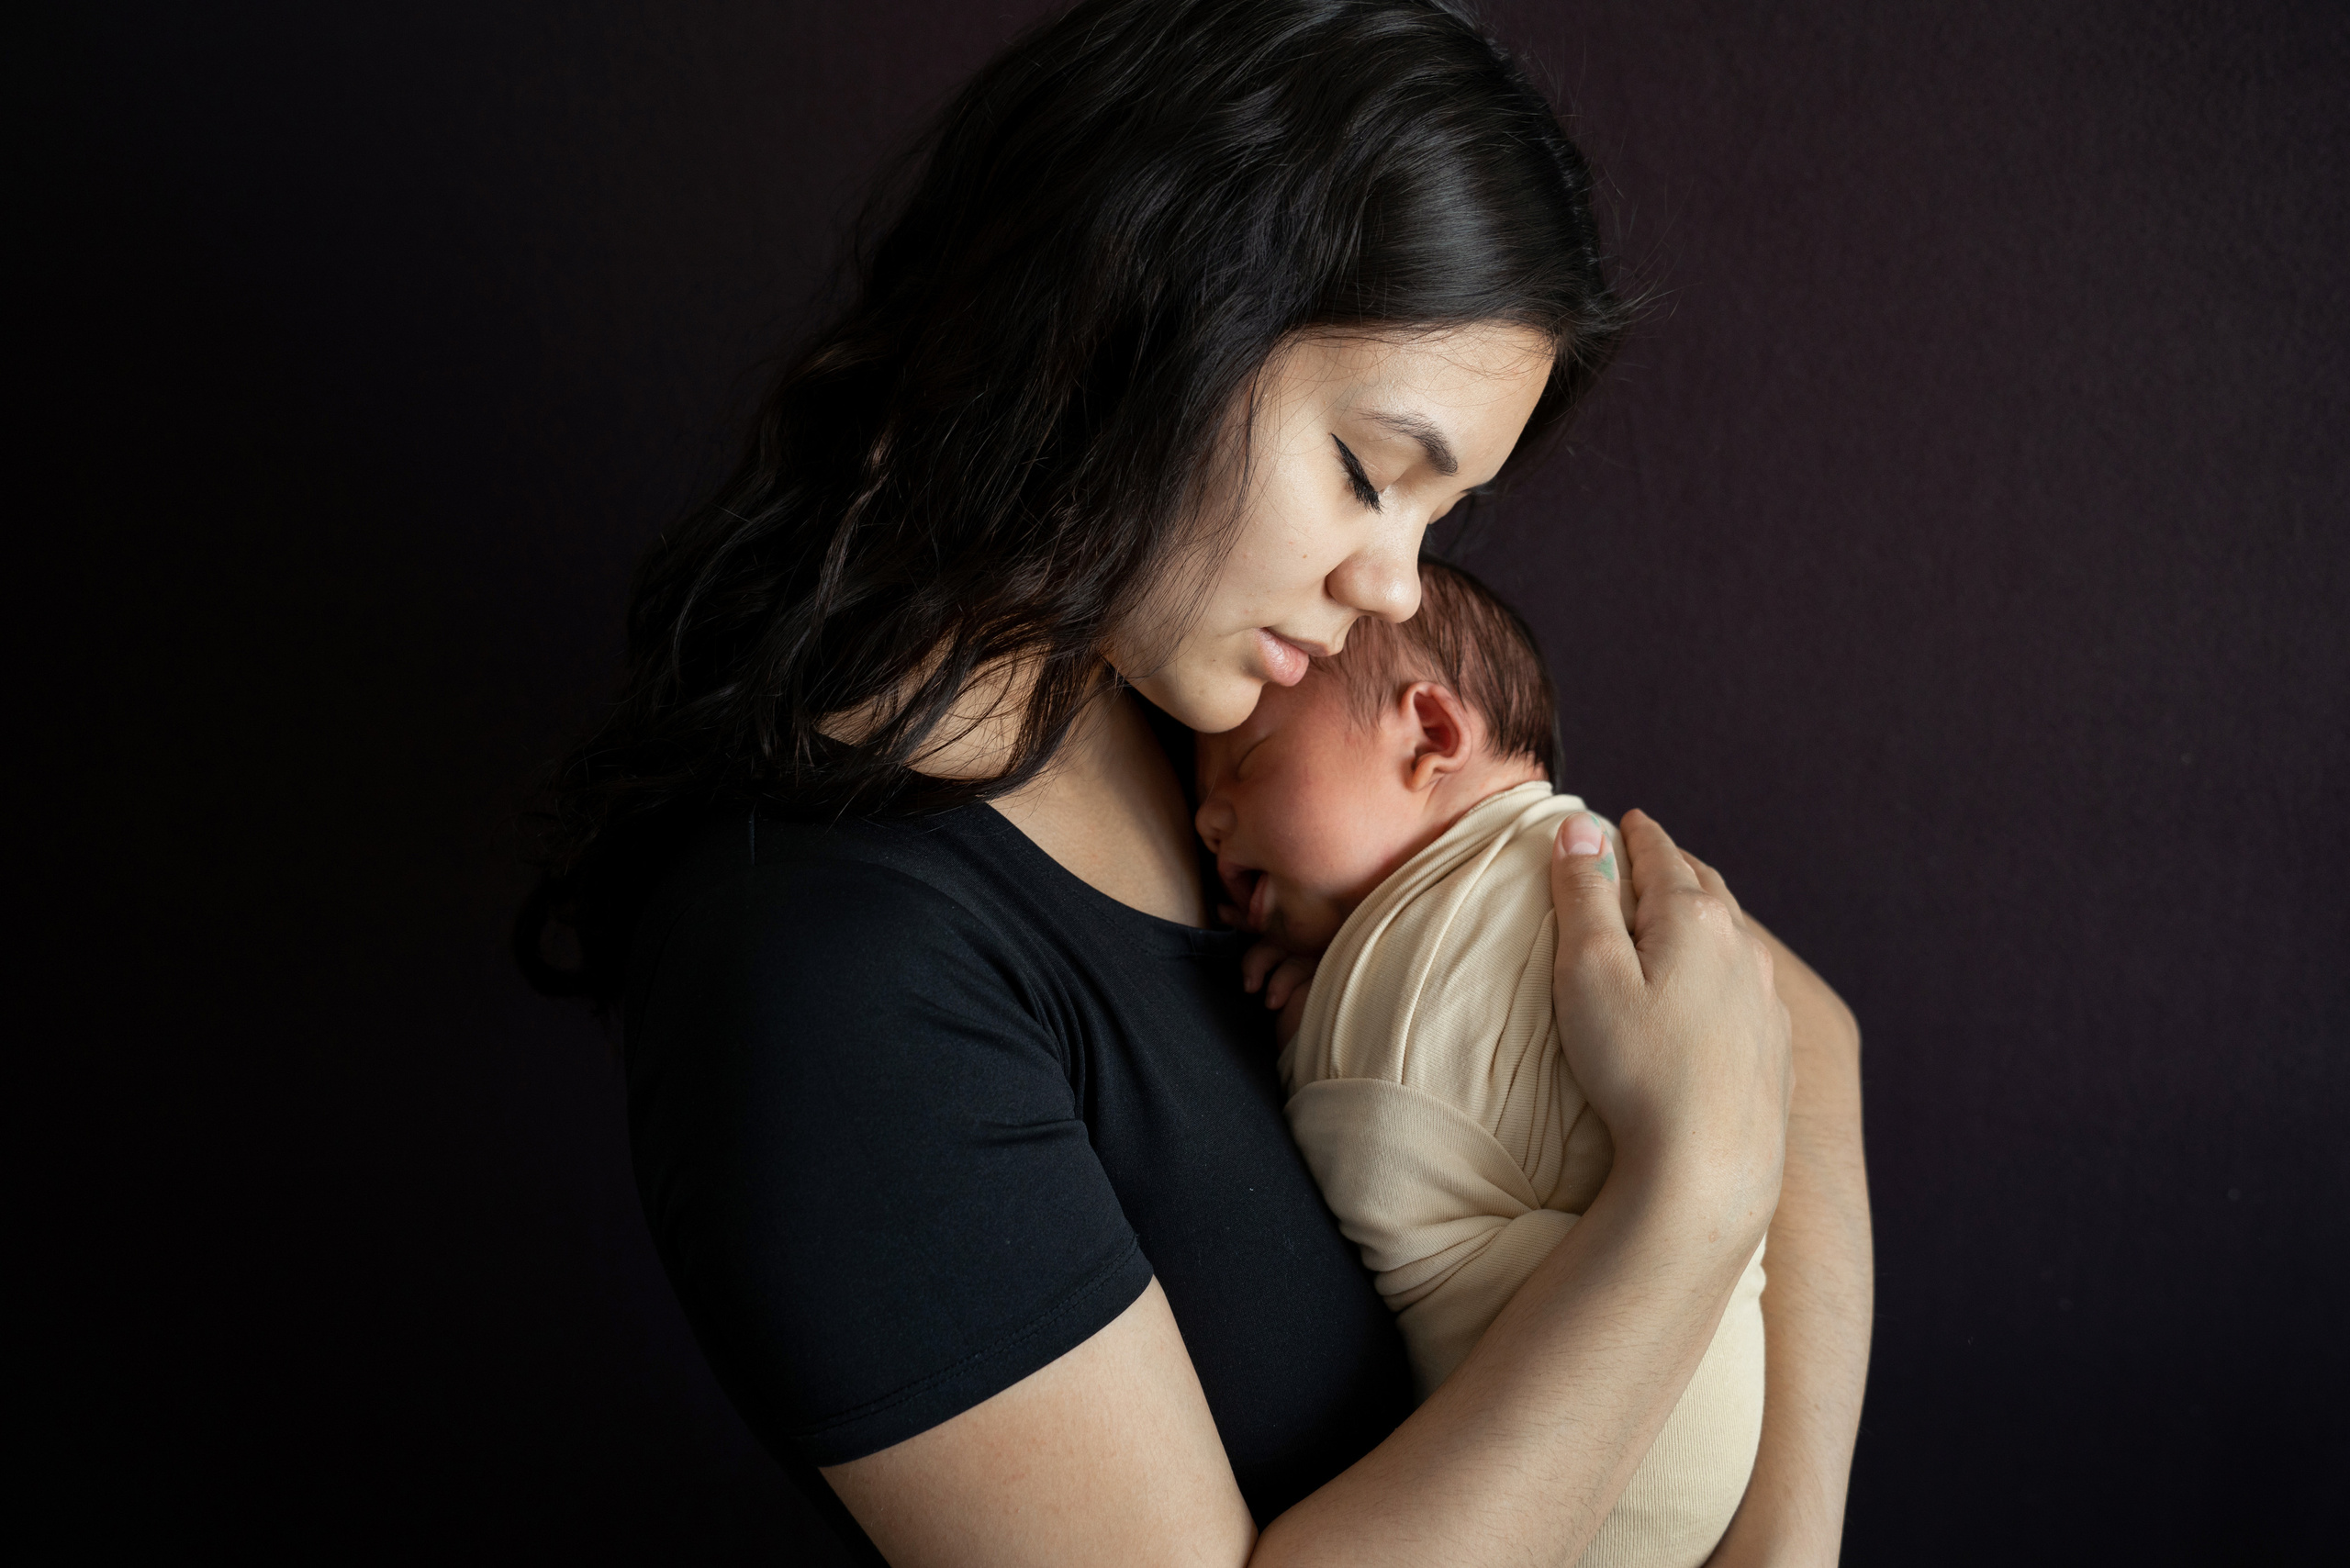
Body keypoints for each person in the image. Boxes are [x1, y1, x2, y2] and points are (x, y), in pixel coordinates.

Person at [516, 1, 1872, 1562]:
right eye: (1370, 472)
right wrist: (1690, 1204)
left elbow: (1798, 1027)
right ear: (1128, 318)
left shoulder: (1200, 699)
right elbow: (1740, 1104)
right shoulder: (827, 983)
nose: (1391, 583)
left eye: (1442, 517)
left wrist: (1782, 1548)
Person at [1196, 561, 1767, 1568]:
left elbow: (1372, 1132)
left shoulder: (1437, 960)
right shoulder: (1583, 861)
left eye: (1246, 763)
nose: (1206, 822)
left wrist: (1304, 1040)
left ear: (1430, 735)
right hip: (1677, 1450)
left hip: (1598, 1490)